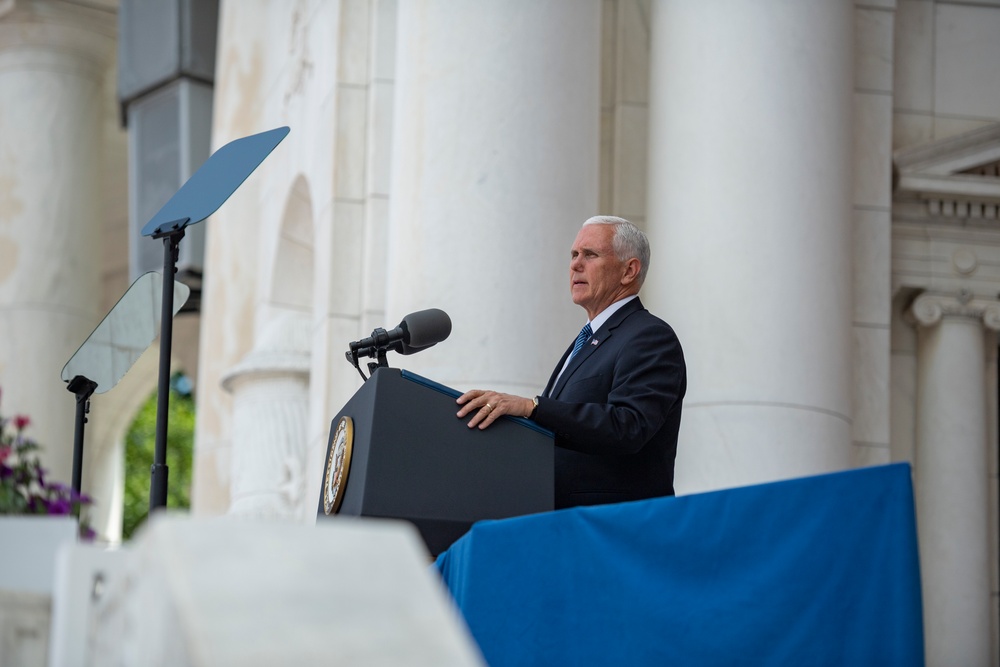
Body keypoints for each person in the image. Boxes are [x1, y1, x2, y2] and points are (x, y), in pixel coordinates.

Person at [456, 215, 686, 509]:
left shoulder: (649, 336)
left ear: (629, 270)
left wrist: (533, 408)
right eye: (574, 255)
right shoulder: (590, 339)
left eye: (590, 255)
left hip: (614, 528)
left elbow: (628, 426)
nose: (575, 264)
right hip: (563, 524)